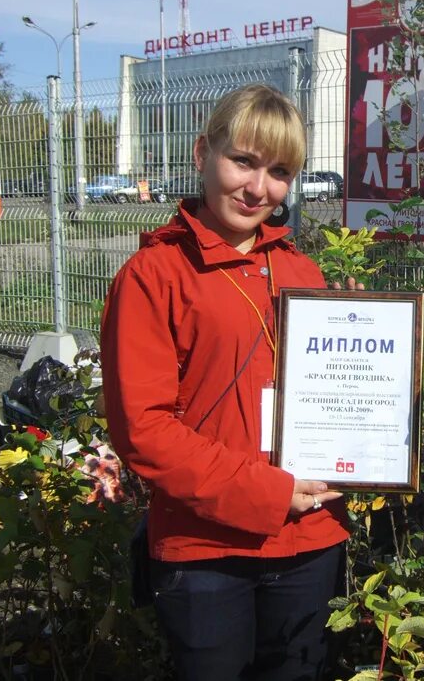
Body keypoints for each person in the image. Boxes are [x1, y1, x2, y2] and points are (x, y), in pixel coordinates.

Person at [100, 84, 348, 681]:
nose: (258, 188)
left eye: (279, 171)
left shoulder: (300, 270)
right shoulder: (154, 275)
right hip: (205, 549)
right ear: (201, 153)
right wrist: (264, 494)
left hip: (308, 539)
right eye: (243, 161)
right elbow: (144, 429)